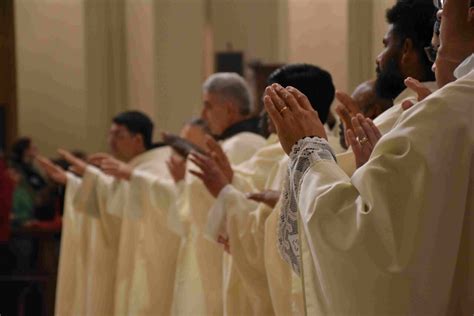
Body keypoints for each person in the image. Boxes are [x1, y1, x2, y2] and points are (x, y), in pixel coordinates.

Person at [263, 0, 474, 314]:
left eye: (444, 4)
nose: (439, 15)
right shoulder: (449, 110)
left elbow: (371, 251)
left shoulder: (452, 109)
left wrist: (308, 151)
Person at [100, 73, 265, 316]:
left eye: (208, 105)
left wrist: (182, 182)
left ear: (229, 108)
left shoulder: (237, 146)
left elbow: (231, 196)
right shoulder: (243, 144)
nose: (203, 114)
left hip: (220, 256)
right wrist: (182, 183)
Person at [191, 64, 335, 315]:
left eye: (271, 106)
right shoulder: (324, 151)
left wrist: (227, 193)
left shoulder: (296, 159)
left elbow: (273, 242)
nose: (264, 116)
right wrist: (231, 185)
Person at [39, 110, 179, 316]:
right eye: (110, 134)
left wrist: (91, 176)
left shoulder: (157, 166)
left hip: (150, 264)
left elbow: (159, 201)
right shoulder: (131, 168)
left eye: (119, 135)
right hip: (126, 258)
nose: (111, 141)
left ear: (138, 139)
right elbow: (115, 201)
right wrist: (74, 180)